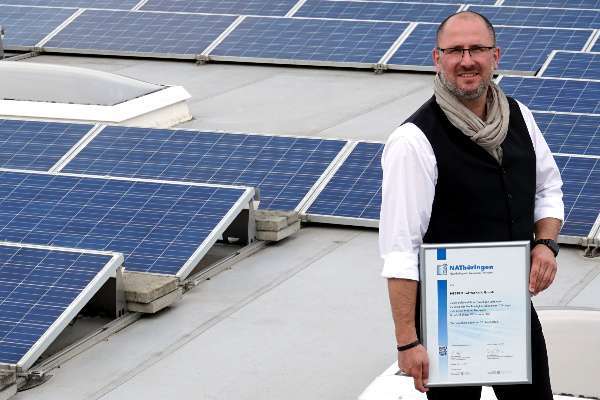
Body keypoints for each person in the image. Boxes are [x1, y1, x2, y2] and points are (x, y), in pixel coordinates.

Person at [379, 11, 564, 400]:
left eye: (477, 49)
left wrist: (545, 244)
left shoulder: (520, 117)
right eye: (455, 50)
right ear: (437, 58)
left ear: (495, 56)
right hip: (447, 320)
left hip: (510, 307)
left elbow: (548, 189)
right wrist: (407, 343)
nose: (467, 60)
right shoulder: (413, 141)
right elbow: (400, 250)